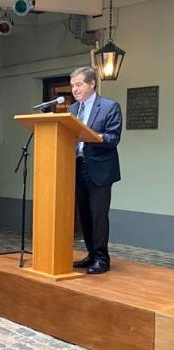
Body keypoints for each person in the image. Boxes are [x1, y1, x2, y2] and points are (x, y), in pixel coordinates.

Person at [69, 66, 123, 275]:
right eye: (73, 85)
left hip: (100, 170)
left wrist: (92, 136)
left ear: (92, 84)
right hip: (77, 167)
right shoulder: (73, 110)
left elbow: (113, 138)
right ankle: (91, 254)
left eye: (79, 84)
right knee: (84, 215)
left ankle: (102, 259)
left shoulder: (109, 107)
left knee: (98, 215)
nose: (74, 89)